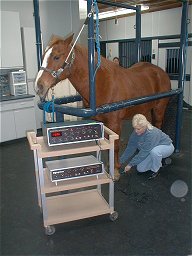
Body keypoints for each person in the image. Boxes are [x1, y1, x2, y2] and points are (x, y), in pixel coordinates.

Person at [120, 114, 175, 179]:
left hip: (166, 147)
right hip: (151, 150)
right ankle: (158, 160)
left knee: (155, 152)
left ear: (144, 126)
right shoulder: (136, 133)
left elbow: (144, 152)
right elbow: (130, 148)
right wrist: (120, 161)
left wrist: (130, 164)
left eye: (138, 129)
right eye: (134, 128)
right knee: (141, 169)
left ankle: (156, 170)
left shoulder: (152, 133)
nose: (136, 131)